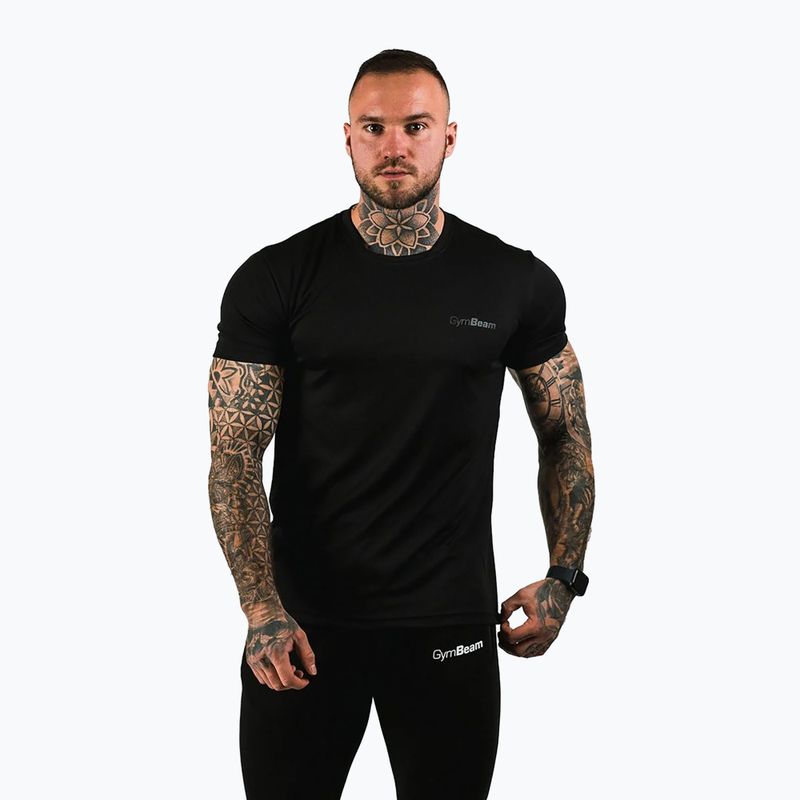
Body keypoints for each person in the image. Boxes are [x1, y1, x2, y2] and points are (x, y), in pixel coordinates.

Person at [208, 48, 595, 800]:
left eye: (415, 126)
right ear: (347, 137)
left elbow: (565, 435)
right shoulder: (276, 278)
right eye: (374, 126)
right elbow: (233, 458)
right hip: (304, 631)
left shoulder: (512, 280)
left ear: (448, 136)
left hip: (449, 622)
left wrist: (563, 578)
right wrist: (262, 611)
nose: (394, 145)